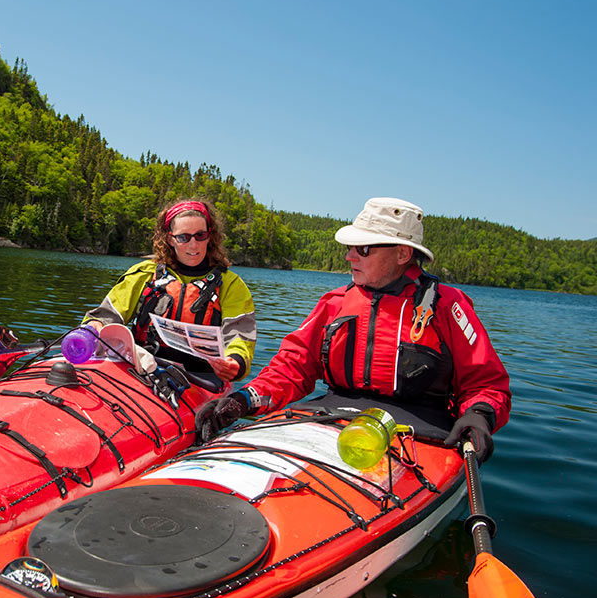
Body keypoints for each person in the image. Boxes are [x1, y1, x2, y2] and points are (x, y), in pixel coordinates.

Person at [196, 197, 510, 462]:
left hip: (420, 430)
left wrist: (479, 415)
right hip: (330, 415)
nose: (349, 256)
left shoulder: (446, 305)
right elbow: (292, 368)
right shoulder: (334, 303)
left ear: (402, 253)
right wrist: (245, 400)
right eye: (350, 247)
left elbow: (487, 384)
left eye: (363, 249)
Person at [82, 198, 256, 383]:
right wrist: (95, 325)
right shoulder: (144, 274)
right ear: (169, 239)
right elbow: (107, 314)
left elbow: (239, 336)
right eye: (183, 237)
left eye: (200, 235)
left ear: (210, 236)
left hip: (201, 377)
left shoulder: (231, 284)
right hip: (144, 366)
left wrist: (234, 361)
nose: (193, 245)